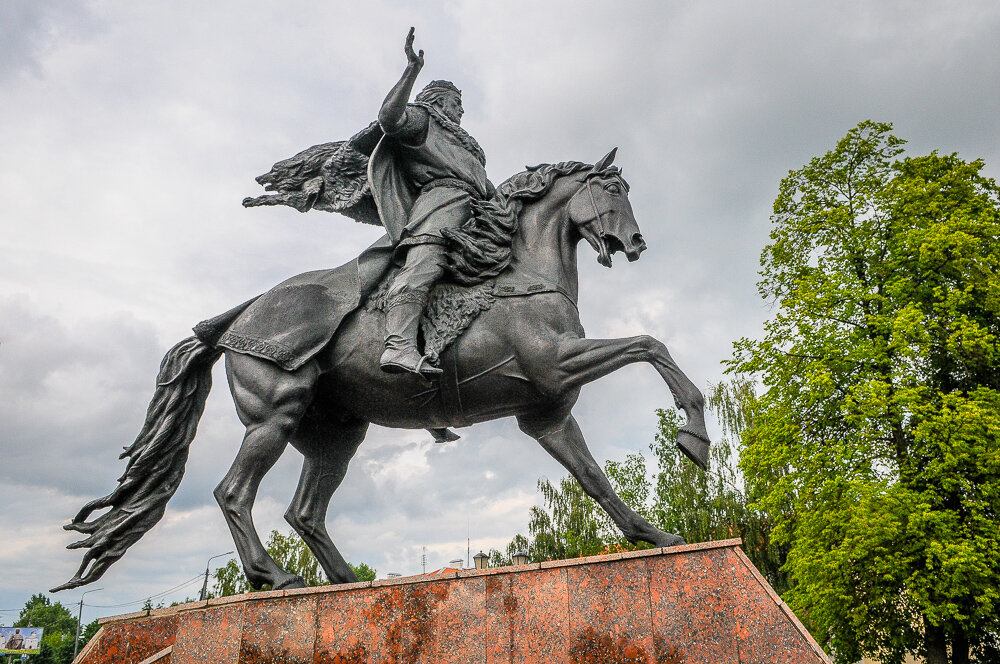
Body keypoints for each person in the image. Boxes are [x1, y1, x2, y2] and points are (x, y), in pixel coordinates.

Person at [368, 27, 494, 376]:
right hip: (439, 208)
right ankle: (398, 346)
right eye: (456, 104)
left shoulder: (468, 148)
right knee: (424, 266)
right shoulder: (424, 122)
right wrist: (411, 71)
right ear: (438, 101)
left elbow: (487, 188)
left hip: (477, 214)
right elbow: (389, 120)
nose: (461, 111)